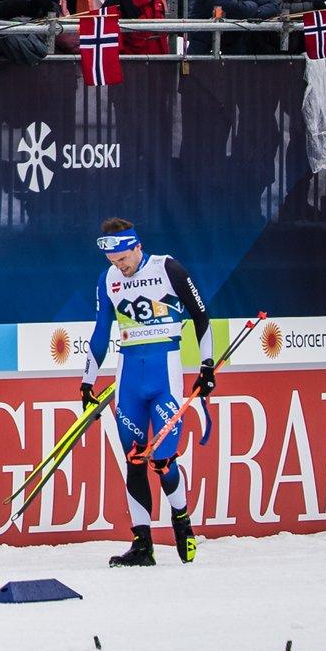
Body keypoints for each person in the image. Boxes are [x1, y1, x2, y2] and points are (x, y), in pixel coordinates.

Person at [81, 217, 213, 566]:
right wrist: (87, 382)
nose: (120, 267)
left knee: (163, 460)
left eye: (123, 260)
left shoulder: (166, 267)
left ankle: (181, 521)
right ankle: (142, 545)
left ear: (137, 247)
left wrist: (207, 366)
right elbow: (100, 333)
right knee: (134, 460)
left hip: (164, 378)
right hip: (129, 381)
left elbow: (201, 317)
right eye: (113, 262)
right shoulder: (108, 279)